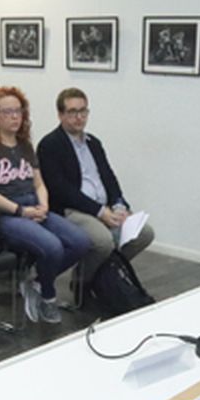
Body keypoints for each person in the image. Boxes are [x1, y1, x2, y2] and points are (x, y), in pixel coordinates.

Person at [0, 87, 91, 324]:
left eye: (18, 111)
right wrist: (21, 211)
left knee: (81, 242)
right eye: (8, 112)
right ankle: (48, 296)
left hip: (34, 207)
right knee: (54, 247)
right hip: (6, 215)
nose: (15, 117)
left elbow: (39, 183)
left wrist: (43, 205)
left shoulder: (25, 146)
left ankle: (36, 281)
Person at [37, 88, 154, 282]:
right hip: (72, 210)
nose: (79, 117)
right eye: (72, 112)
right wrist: (100, 212)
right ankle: (82, 281)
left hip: (104, 207)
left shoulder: (93, 143)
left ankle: (104, 276)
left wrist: (119, 205)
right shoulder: (50, 145)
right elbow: (62, 190)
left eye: (83, 111)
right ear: (60, 114)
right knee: (103, 241)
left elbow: (109, 178)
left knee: (144, 233)